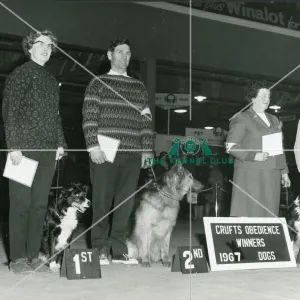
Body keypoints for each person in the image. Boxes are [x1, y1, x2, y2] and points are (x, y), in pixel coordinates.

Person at [82, 38, 155, 265]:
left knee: (125, 204)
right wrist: (93, 145)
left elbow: (146, 121)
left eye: (128, 53)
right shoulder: (98, 82)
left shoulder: (139, 86)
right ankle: (100, 248)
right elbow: (89, 116)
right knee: (102, 202)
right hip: (104, 152)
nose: (125, 56)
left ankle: (119, 249)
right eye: (120, 52)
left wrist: (147, 149)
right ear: (109, 55)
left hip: (132, 153)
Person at [2, 30, 66, 274]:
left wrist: (60, 143)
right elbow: (10, 112)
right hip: (24, 148)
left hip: (48, 150)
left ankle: (33, 256)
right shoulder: (19, 75)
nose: (45, 48)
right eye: (40, 44)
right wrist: (14, 146)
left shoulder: (51, 80)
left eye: (49, 45)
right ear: (29, 48)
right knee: (21, 204)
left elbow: (56, 117)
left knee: (40, 205)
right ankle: (17, 258)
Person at [225, 80, 290, 217]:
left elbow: (279, 146)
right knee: (250, 212)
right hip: (250, 172)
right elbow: (231, 146)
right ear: (253, 98)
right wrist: (254, 156)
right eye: (263, 96)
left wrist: (284, 171)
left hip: (272, 172)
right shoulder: (242, 117)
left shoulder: (274, 119)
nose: (267, 99)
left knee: (270, 213)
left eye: (269, 96)